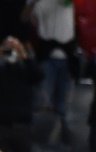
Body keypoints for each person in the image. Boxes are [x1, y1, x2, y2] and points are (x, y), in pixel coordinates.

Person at [28, 0, 77, 132]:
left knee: (63, 107)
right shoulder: (39, 3)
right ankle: (41, 143)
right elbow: (28, 17)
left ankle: (62, 140)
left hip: (67, 56)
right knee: (42, 104)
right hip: (46, 56)